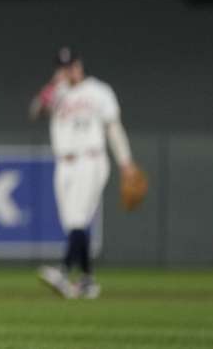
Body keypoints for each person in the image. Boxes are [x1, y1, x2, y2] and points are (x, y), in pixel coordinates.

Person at [28, 47, 137, 299]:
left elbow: (113, 128)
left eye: (71, 65)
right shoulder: (57, 93)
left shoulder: (99, 91)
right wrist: (52, 87)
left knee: (77, 219)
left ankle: (64, 273)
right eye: (63, 66)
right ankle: (88, 281)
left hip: (91, 158)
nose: (68, 70)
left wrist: (125, 162)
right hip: (63, 163)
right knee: (73, 224)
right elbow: (35, 111)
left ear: (80, 65)